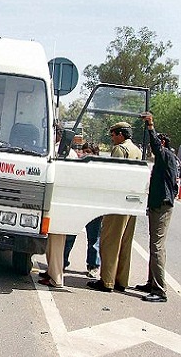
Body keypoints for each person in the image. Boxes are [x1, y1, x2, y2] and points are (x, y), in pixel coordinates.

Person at [87, 122, 141, 293]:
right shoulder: (137, 150)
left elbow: (114, 176)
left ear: (120, 134)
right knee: (125, 243)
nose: (111, 138)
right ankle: (121, 280)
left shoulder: (120, 150)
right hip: (132, 202)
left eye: (113, 135)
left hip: (118, 202)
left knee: (110, 241)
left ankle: (107, 281)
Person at [135, 113, 177, 303]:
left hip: (162, 205)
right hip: (159, 204)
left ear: (163, 143)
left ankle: (160, 290)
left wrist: (150, 125)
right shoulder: (167, 158)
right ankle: (152, 282)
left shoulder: (166, 155)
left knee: (157, 247)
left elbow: (156, 146)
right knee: (155, 245)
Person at [38, 124, 78, 287]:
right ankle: (52, 273)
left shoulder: (58, 150)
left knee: (56, 243)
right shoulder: (70, 152)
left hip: (58, 200)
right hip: (62, 200)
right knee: (54, 243)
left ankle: (56, 277)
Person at [62, 142, 102, 278]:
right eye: (84, 151)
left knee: (94, 239)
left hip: (94, 209)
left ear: (95, 154)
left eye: (88, 151)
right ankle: (62, 262)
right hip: (77, 207)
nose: (84, 154)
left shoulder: (101, 169)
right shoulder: (77, 166)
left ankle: (93, 265)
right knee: (69, 236)